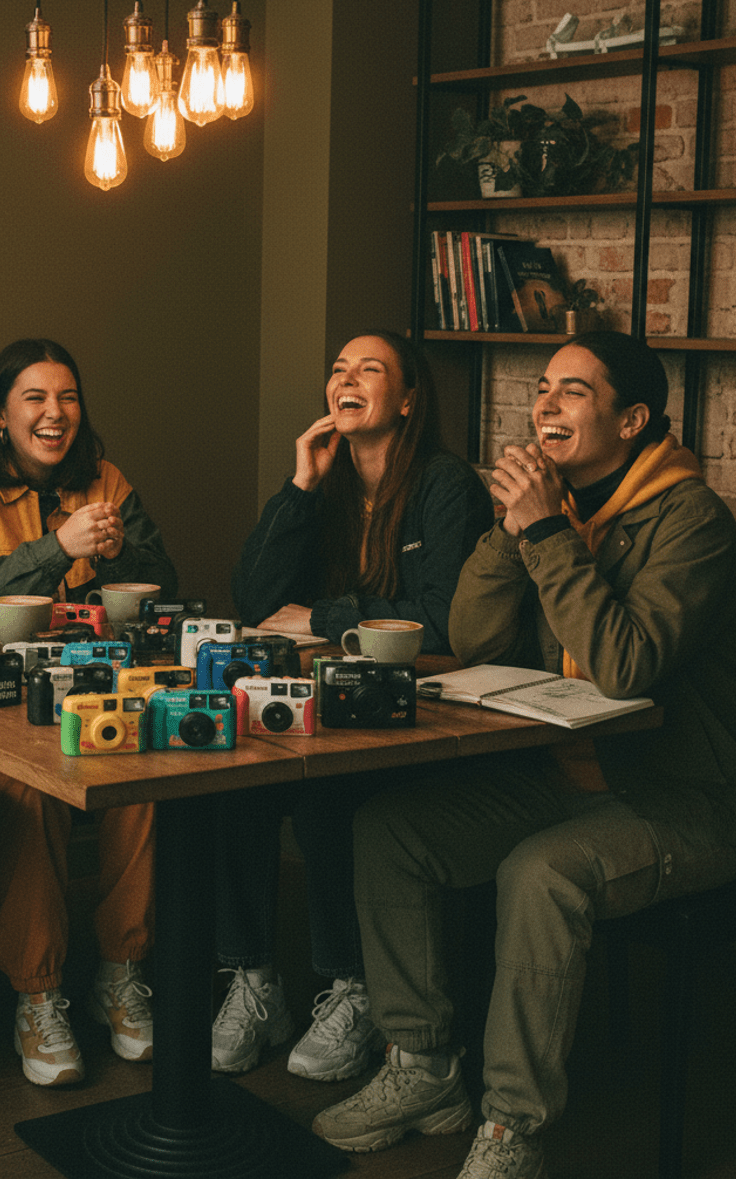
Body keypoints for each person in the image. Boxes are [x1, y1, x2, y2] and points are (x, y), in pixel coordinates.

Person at [312, 331, 736, 1178]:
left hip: (690, 800)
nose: (545, 405)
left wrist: (548, 532)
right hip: (569, 776)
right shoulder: (562, 509)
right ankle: (423, 1068)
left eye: (573, 392)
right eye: (544, 387)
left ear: (632, 420)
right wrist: (511, 531)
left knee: (541, 873)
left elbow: (625, 666)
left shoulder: (692, 520)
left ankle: (512, 1128)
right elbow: (474, 634)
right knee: (391, 831)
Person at [211, 331, 494, 1081]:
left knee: (328, 795)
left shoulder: (444, 484)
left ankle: (354, 987)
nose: (348, 378)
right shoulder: (328, 484)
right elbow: (256, 598)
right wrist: (300, 484)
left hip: (423, 712)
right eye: (338, 368)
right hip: (326, 699)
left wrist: (325, 617)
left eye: (370, 369)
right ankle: (253, 978)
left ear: (406, 400)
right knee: (229, 777)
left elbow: (440, 627)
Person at [0, 337, 178, 1087]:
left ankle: (121, 972)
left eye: (67, 397)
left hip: (97, 687)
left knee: (146, 770)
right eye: (35, 398)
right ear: (1, 413)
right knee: (26, 787)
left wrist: (123, 552)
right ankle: (40, 992)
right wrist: (56, 548)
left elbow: (165, 583)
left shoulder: (106, 480)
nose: (55, 414)